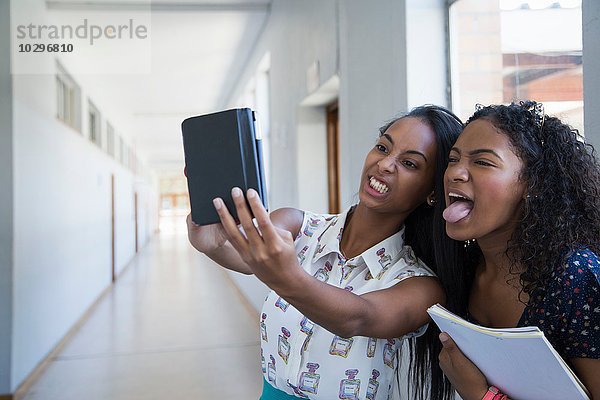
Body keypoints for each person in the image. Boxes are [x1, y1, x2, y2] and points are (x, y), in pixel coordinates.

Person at [187, 105, 464, 400]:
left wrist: (287, 276)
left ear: (432, 192)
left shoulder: (420, 286)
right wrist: (212, 242)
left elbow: (356, 317)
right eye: (383, 147)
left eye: (409, 163)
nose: (385, 164)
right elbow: (245, 257)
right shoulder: (298, 226)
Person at [438, 101, 600, 399]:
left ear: (532, 184)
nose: (456, 173)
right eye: (452, 159)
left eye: (483, 162)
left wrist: (480, 395)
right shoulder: (463, 267)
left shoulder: (575, 277)